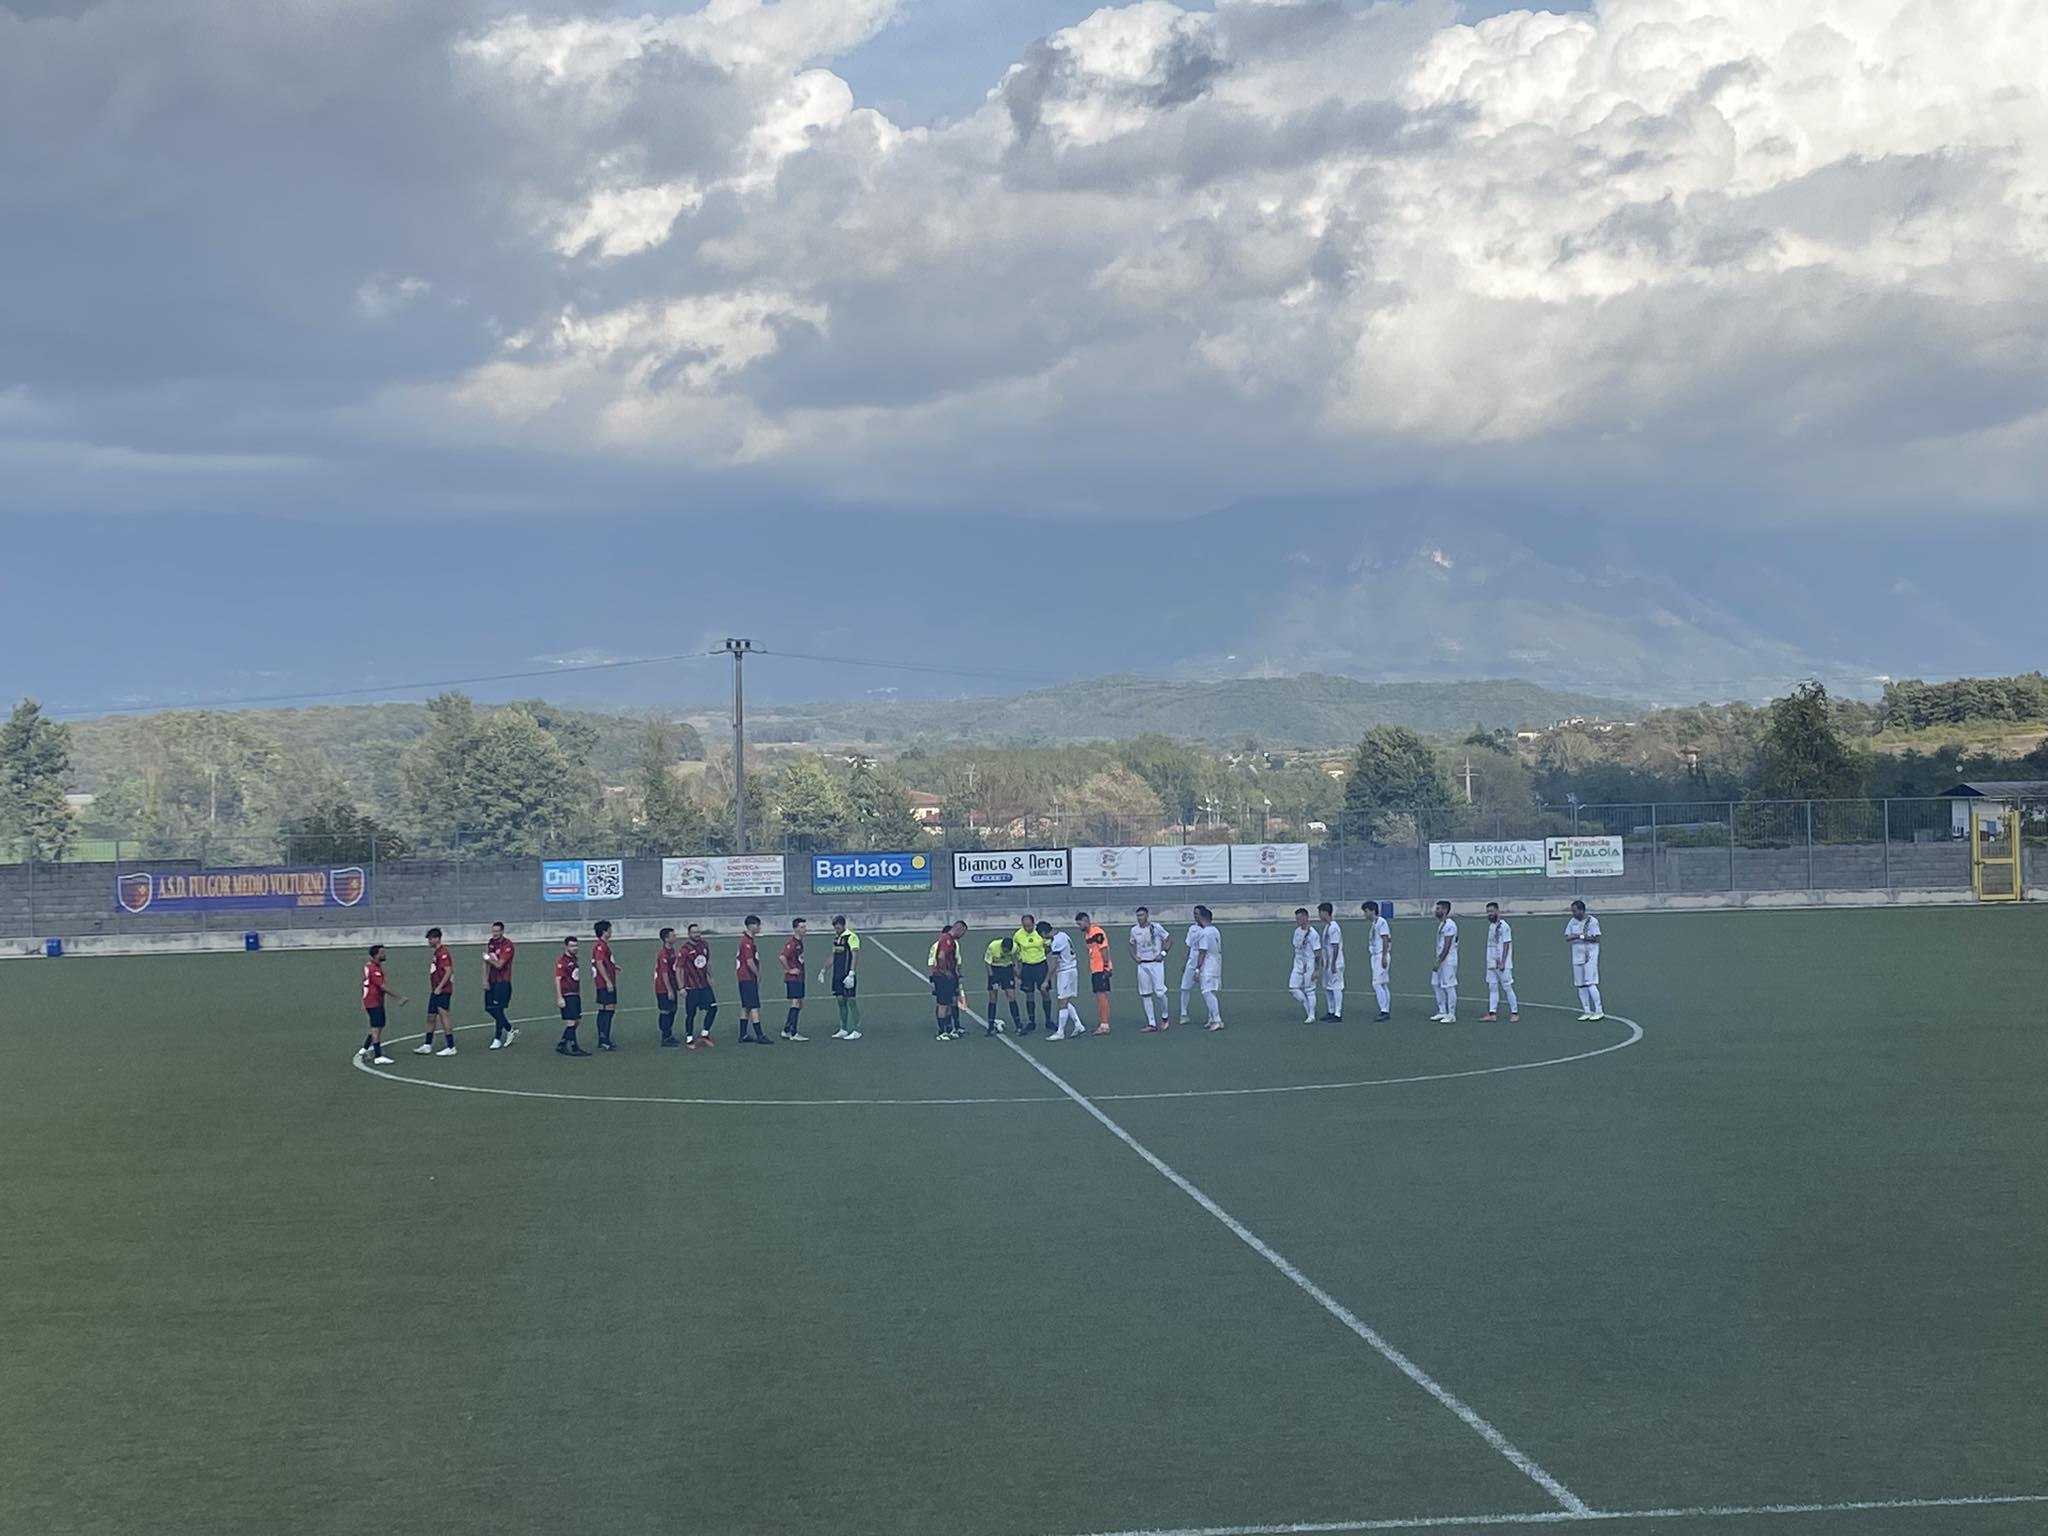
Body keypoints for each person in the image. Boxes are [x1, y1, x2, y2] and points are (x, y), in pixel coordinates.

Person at [357, 944, 406, 1065]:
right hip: (373, 1001)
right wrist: (398, 998)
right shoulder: (374, 969)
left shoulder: (372, 966)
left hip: (373, 1001)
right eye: (382, 953)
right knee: (376, 1027)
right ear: (376, 955)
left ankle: (365, 1048)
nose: (384, 955)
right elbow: (382, 986)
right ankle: (378, 1056)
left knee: (378, 1025)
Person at [413, 927, 457, 1056]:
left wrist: (440, 987)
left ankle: (451, 1046)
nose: (429, 941)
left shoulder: (443, 953)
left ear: (437, 939)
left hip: (442, 990)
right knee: (431, 1016)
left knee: (444, 1015)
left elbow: (448, 971)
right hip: (435, 990)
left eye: (430, 939)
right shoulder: (437, 953)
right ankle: (427, 1044)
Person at [1130, 906, 1173, 1032]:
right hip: (1143, 965)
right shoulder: (1134, 930)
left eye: (1142, 915)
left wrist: (1163, 953)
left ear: (1147, 915)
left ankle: (1165, 1017)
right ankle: (1151, 1023)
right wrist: (1134, 956)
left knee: (1160, 993)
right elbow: (1131, 944)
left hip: (1156, 964)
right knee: (1145, 994)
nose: (1139, 918)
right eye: (1138, 916)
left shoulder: (1156, 927)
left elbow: (1169, 939)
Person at [679, 923, 718, 1048]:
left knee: (713, 1008)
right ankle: (689, 1038)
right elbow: (679, 969)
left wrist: (710, 976)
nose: (697, 934)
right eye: (694, 932)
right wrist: (681, 987)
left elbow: (707, 962)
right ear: (689, 934)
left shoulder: (704, 945)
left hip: (704, 985)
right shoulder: (685, 949)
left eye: (698, 932)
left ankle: (704, 1034)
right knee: (691, 1014)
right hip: (691, 987)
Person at [1044, 920, 1085, 1040]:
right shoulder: (1063, 935)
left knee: (1062, 1001)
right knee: (1065, 1000)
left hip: (1065, 972)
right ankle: (1078, 1025)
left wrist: (1047, 979)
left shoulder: (1056, 942)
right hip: (1072, 969)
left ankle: (1060, 1032)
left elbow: (1054, 962)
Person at [1566, 900, 1605, 1020]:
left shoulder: (1592, 921)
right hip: (1577, 955)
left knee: (1590, 982)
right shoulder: (1572, 922)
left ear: (1582, 910)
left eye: (1575, 911)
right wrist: (1573, 937)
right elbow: (1567, 936)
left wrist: (1579, 936)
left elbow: (1596, 938)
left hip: (1590, 956)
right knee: (1580, 984)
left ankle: (1599, 1010)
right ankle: (1587, 1010)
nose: (1573, 913)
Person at [1011, 913, 1048, 1036]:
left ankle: (1048, 1020)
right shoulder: (1018, 935)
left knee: (1044, 991)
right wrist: (1017, 973)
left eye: (1029, 926)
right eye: (1024, 926)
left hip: (1041, 965)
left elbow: (1048, 946)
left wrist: (1042, 955)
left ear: (1033, 923)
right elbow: (1015, 953)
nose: (1027, 928)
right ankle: (1031, 1021)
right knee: (1029, 994)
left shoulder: (1040, 932)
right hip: (1027, 967)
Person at [929, 920, 967, 1040]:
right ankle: (941, 1032)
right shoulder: (947, 940)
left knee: (950, 1002)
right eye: (963, 933)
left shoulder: (951, 941)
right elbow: (941, 956)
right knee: (943, 1004)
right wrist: (945, 971)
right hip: (942, 977)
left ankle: (949, 1028)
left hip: (948, 976)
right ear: (959, 929)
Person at [736, 915, 771, 1044]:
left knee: (746, 1007)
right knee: (754, 1006)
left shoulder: (747, 941)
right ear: (752, 925)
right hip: (747, 977)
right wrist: (757, 974)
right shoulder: (747, 943)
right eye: (758, 925)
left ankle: (743, 1034)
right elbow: (749, 961)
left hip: (743, 978)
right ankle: (760, 1035)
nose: (759, 928)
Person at [1188, 906, 1224, 1030]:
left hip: (1208, 964)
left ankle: (1217, 1019)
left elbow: (1202, 952)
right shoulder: (1215, 930)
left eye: (1196, 914)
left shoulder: (1204, 933)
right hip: (1217, 962)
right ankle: (1211, 1018)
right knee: (1211, 990)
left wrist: (1197, 969)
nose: (1195, 917)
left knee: (1207, 991)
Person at [483, 921, 518, 1049]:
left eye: (497, 931)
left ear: (502, 931)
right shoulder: (490, 943)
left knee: (498, 1009)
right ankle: (509, 1029)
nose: (495, 933)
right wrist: (485, 979)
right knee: (489, 1008)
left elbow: (499, 964)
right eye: (493, 931)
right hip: (491, 981)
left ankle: (497, 1038)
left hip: (502, 982)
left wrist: (488, 958)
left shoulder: (507, 945)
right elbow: (485, 962)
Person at [1483, 902, 1519, 1022]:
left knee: (1507, 987)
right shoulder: (1491, 926)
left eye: (1492, 911)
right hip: (1491, 962)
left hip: (1502, 963)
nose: (1490, 914)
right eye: (1488, 912)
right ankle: (1492, 1013)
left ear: (1497, 911)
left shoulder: (1504, 926)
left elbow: (1506, 944)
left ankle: (1515, 1012)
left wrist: (1503, 961)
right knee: (1492, 987)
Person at [555, 935, 590, 1056]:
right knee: (571, 1022)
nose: (575, 948)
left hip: (575, 994)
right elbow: (558, 979)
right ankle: (573, 1047)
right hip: (567, 994)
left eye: (576, 945)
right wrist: (560, 997)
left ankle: (563, 1043)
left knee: (577, 1020)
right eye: (572, 946)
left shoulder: (574, 960)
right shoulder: (562, 962)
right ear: (566, 947)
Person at [1080, 912, 1113, 1034]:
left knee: (1101, 996)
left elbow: (1103, 949)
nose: (1079, 926)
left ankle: (1104, 1025)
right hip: (1095, 968)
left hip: (1100, 968)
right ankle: (1103, 1023)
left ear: (1086, 921)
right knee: (1099, 996)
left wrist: (1106, 966)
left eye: (1080, 923)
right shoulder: (1088, 934)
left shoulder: (1096, 932)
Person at [829, 915, 862, 1041]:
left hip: (847, 975)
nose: (836, 930)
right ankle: (843, 1029)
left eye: (838, 927)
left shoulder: (851, 937)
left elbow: (855, 955)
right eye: (834, 928)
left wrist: (852, 973)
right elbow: (834, 955)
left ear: (843, 925)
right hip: (837, 975)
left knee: (851, 1001)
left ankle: (856, 1030)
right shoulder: (837, 938)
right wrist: (824, 970)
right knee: (840, 1000)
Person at [1289, 907, 1324, 1025]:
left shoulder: (1313, 934)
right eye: (1296, 918)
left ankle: (1311, 1014)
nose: (1297, 921)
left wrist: (1316, 970)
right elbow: (1296, 947)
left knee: (1309, 989)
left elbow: (1318, 952)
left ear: (1306, 918)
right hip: (1298, 963)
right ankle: (1308, 1008)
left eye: (1299, 918)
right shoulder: (1297, 931)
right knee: (1293, 988)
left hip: (1310, 964)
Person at [591, 919, 620, 1051]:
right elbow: (598, 962)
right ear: (604, 931)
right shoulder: (600, 946)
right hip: (604, 983)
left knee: (608, 1009)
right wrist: (608, 981)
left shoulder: (603, 945)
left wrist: (613, 967)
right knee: (608, 1009)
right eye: (609, 929)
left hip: (607, 981)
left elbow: (604, 962)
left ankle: (604, 1038)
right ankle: (604, 1038)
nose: (611, 931)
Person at [1362, 901, 1393, 1021]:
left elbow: (1385, 939)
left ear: (1372, 911)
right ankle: (1385, 1009)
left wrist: (1384, 956)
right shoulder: (1374, 924)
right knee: (1383, 983)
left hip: (1380, 955)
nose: (1364, 914)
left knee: (1376, 983)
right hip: (1375, 955)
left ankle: (1384, 1010)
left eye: (1366, 911)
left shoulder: (1381, 922)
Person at [1429, 901, 1459, 1024]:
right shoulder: (1442, 924)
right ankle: (1442, 1010)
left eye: (1439, 909)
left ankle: (1451, 1014)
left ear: (1445, 910)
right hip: (1441, 958)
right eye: (1436, 908)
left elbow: (1447, 945)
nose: (1436, 911)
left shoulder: (1450, 925)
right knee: (1435, 984)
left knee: (1449, 986)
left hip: (1448, 960)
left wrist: (1439, 961)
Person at [780, 918, 810, 1041]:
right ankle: (793, 1032)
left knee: (799, 1004)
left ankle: (787, 1029)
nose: (805, 929)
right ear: (796, 929)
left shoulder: (799, 943)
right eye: (802, 927)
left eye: (805, 927)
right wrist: (789, 970)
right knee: (796, 1003)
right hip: (793, 979)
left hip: (800, 977)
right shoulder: (792, 943)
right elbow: (782, 957)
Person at [984, 933, 1018, 1035]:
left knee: (1011, 996)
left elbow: (1015, 961)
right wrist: (992, 979)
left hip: (1007, 970)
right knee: (993, 997)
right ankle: (990, 1026)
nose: (1006, 952)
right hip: (995, 969)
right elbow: (987, 963)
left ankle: (1018, 1024)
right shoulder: (993, 947)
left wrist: (1017, 975)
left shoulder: (1015, 948)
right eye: (1004, 950)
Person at [1318, 901, 1345, 1021]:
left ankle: (1337, 1013)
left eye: (1320, 913)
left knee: (1336, 986)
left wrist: (1333, 963)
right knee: (1327, 986)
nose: (1319, 915)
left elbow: (1335, 947)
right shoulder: (1327, 927)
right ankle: (1331, 1010)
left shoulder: (1334, 927)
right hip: (1328, 962)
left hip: (1335, 962)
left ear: (1325, 912)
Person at [655, 927, 682, 1046]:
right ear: (666, 939)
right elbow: (664, 973)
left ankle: (669, 1034)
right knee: (665, 1011)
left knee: (673, 1009)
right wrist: (669, 990)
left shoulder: (672, 951)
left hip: (672, 985)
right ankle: (664, 1037)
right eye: (673, 935)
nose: (675, 937)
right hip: (663, 988)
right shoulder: (663, 954)